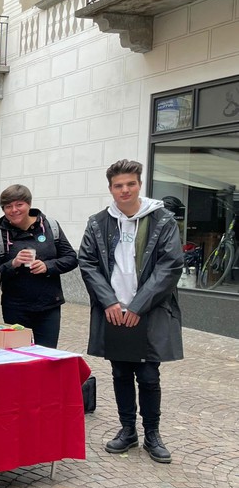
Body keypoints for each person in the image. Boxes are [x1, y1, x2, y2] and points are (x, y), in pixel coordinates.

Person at [78, 159, 183, 464]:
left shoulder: (162, 220)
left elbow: (170, 265)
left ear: (140, 184)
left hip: (149, 310)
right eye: (118, 185)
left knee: (149, 375)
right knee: (121, 372)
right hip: (113, 311)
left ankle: (152, 434)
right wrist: (110, 302)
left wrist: (138, 305)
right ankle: (127, 430)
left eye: (130, 184)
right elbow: (88, 263)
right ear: (110, 188)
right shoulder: (98, 222)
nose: (125, 190)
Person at [0, 184, 77, 348]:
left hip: (48, 305)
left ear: (28, 204)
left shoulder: (50, 226)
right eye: (8, 206)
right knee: (17, 357)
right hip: (15, 307)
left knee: (47, 356)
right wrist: (13, 264)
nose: (14, 210)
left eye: (19, 204)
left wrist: (47, 266)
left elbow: (71, 258)